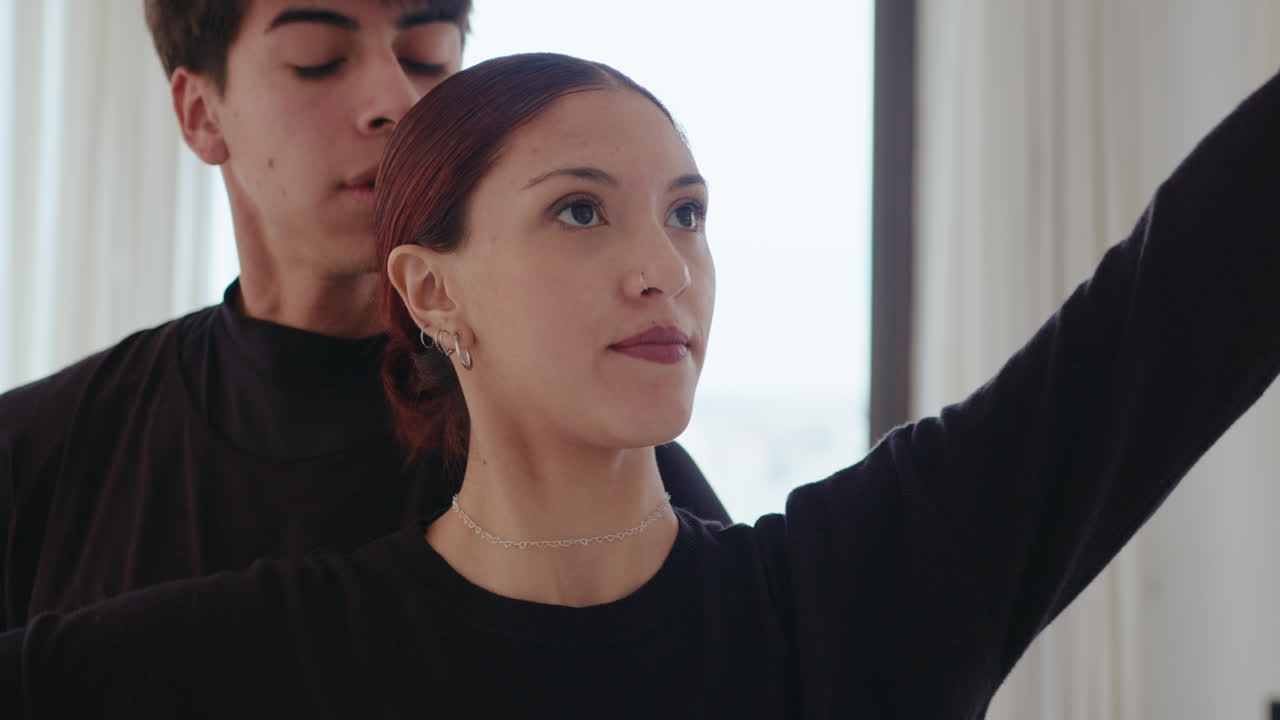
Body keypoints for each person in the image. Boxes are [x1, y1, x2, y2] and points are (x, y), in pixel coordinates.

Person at [4, 51, 1280, 718]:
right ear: (433, 292)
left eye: (686, 213)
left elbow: (1179, 300)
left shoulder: (854, 599)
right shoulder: (260, 658)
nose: (660, 268)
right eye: (578, 213)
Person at [0, 0, 727, 629]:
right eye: (318, 61)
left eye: (426, 55)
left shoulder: (616, 479)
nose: (396, 100)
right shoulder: (38, 454)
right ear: (200, 113)